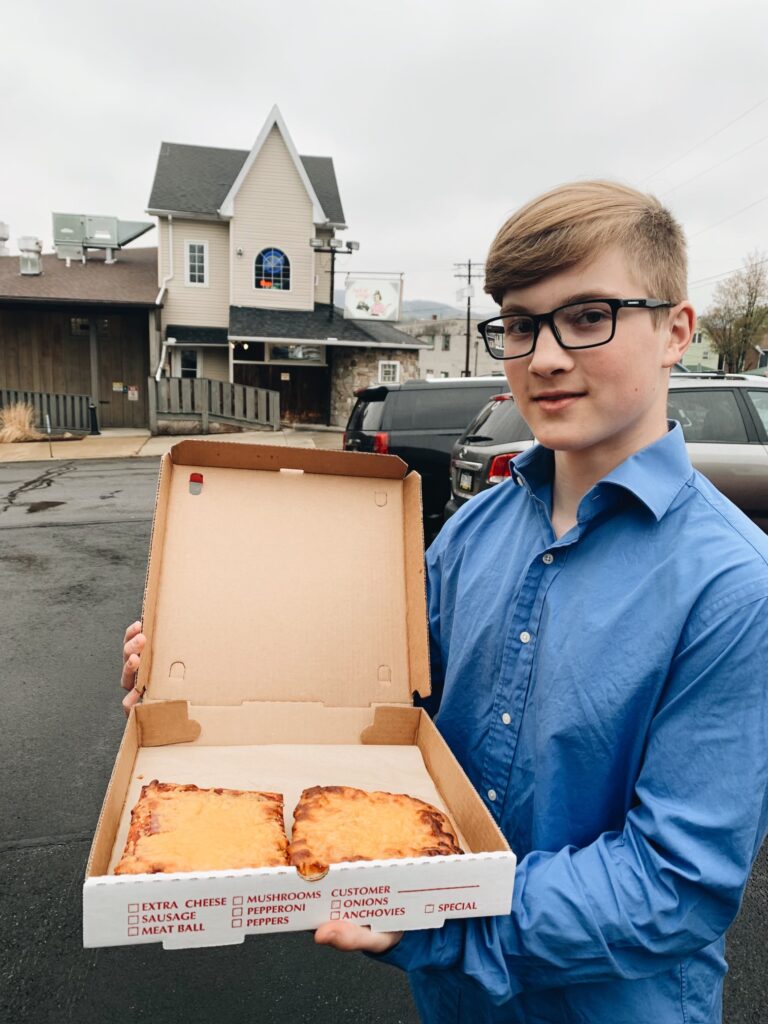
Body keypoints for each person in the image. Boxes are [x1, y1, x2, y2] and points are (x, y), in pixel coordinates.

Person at [121, 180, 768, 1023]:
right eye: (522, 323)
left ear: (675, 330)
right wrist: (199, 669)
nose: (543, 357)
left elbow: (673, 886)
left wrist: (439, 916)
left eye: (587, 317)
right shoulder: (475, 530)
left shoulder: (734, 587)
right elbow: (385, 694)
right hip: (457, 1002)